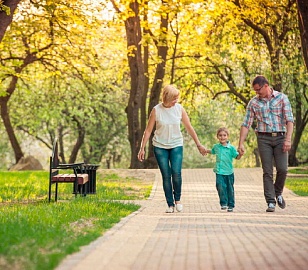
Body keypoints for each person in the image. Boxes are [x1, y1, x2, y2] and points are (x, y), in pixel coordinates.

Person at [137, 85, 207, 213]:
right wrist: (142, 148)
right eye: (174, 98)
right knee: (166, 175)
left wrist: (198, 144)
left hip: (176, 144)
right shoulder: (156, 110)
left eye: (177, 98)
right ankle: (170, 204)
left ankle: (178, 199)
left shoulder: (179, 109)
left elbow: (189, 127)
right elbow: (148, 131)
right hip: (160, 146)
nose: (176, 101)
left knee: (176, 172)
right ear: (167, 98)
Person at [238, 75, 294, 212]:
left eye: (258, 90)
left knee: (283, 169)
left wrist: (288, 139)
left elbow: (289, 120)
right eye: (255, 90)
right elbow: (246, 124)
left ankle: (277, 192)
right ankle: (270, 202)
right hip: (263, 139)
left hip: (281, 137)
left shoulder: (282, 98)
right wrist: (241, 143)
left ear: (266, 86)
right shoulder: (254, 103)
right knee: (267, 171)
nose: (257, 93)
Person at [206, 127, 242, 212]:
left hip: (229, 172)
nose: (222, 137)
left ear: (228, 136)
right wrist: (205, 150)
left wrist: (241, 154)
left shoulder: (231, 148)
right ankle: (223, 203)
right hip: (219, 171)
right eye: (220, 135)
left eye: (224, 135)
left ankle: (231, 205)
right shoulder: (216, 147)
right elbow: (212, 151)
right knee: (220, 186)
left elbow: (237, 157)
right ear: (217, 137)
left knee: (230, 189)